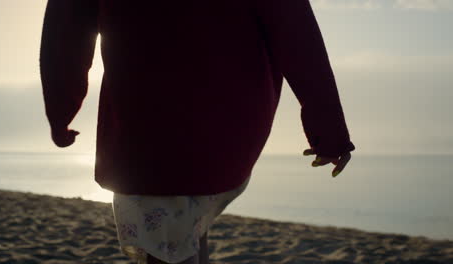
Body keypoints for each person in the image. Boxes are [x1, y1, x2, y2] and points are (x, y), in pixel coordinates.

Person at [39, 0, 355, 263]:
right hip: (227, 127)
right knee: (184, 229)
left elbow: (64, 37)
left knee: (169, 241)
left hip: (147, 130)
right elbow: (297, 35)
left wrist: (60, 111)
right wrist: (328, 130)